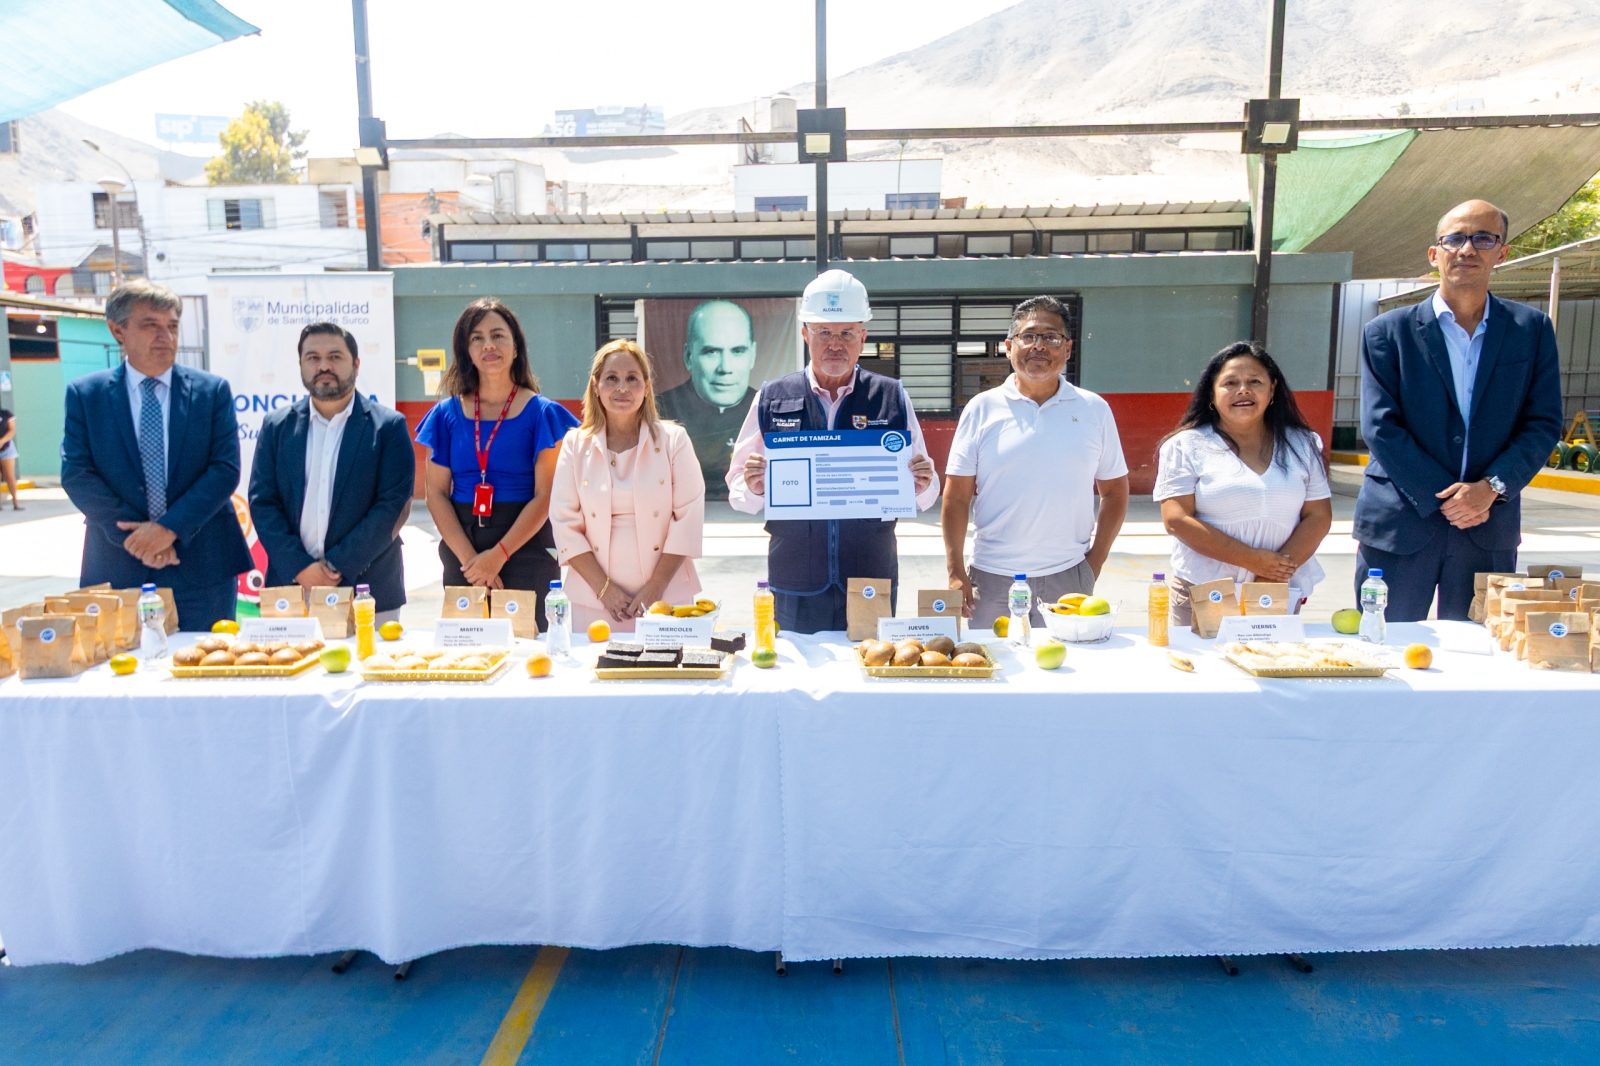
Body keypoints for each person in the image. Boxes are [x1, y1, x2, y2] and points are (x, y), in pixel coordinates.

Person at [1354, 199, 1563, 620]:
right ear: (1435, 254)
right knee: (1384, 645)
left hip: (1487, 526)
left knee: (1479, 649)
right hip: (1400, 523)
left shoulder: (1531, 330)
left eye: (1483, 239)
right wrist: (1449, 498)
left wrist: (1490, 489)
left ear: (1501, 253)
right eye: (1455, 239)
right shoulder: (1387, 333)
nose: (1467, 249)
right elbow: (1380, 427)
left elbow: (1542, 423)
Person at [727, 269, 938, 633]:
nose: (835, 344)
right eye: (824, 332)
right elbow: (737, 492)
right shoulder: (772, 397)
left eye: (847, 333)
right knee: (794, 667)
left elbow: (928, 493)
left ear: (863, 337)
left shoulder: (892, 397)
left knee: (870, 663)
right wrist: (755, 486)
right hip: (795, 578)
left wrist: (920, 483)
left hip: (870, 575)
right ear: (805, 333)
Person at [61, 278, 251, 627]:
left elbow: (224, 469)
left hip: (202, 563)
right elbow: (77, 474)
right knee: (122, 660)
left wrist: (168, 529)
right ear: (118, 330)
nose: (166, 336)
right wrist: (138, 539)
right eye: (151, 325)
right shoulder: (87, 395)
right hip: (118, 563)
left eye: (172, 326)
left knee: (208, 658)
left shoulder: (211, 392)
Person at [942, 295, 1129, 625]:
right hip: (991, 577)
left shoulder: (1093, 410)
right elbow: (956, 497)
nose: (1038, 346)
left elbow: (1114, 492)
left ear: (1067, 349)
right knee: (993, 658)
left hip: (1068, 576)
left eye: (1051, 337)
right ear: (1008, 346)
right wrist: (955, 570)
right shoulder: (982, 409)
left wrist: (1094, 563)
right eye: (1028, 336)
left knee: (1065, 658)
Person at [416, 298, 578, 623]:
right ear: (466, 351)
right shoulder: (445, 415)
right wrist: (473, 563)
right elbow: (436, 494)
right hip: (464, 551)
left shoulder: (542, 414)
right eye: (477, 338)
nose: (488, 345)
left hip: (525, 546)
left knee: (528, 647)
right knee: (468, 647)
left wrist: (498, 556)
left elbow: (545, 496)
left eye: (498, 335)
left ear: (516, 347)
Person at [248, 322, 416, 625]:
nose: (324, 366)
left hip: (369, 590)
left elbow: (392, 506)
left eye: (335, 357)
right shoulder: (277, 426)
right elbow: (263, 503)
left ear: (356, 364)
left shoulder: (388, 427)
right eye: (313, 358)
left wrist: (336, 566)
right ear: (301, 365)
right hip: (291, 588)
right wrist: (300, 567)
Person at [1153, 341, 1333, 625]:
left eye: (1255, 381)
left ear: (1272, 389)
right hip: (1206, 589)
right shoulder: (1185, 445)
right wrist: (1253, 560)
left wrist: (1273, 574)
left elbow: (1318, 516)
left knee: (1267, 654)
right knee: (1203, 655)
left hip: (1275, 589)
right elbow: (1176, 519)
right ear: (1212, 393)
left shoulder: (1303, 444)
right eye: (1230, 383)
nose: (1243, 390)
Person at [551, 340, 706, 630]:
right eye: (612, 378)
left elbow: (688, 516)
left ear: (646, 387)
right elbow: (564, 522)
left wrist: (656, 587)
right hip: (593, 600)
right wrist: (604, 590)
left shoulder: (673, 441)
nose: (622, 388)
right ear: (596, 386)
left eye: (632, 378)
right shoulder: (575, 444)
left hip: (667, 597)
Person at [655, 299, 759, 500]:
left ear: (752, 355)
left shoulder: (769, 410)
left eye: (737, 351)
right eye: (711, 352)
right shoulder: (658, 410)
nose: (725, 368)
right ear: (688, 356)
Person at [0, 407, 20, 510]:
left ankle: (15, 503)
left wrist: (2, 441)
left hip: (6, 449)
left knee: (9, 476)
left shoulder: (5, 413)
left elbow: (12, 431)